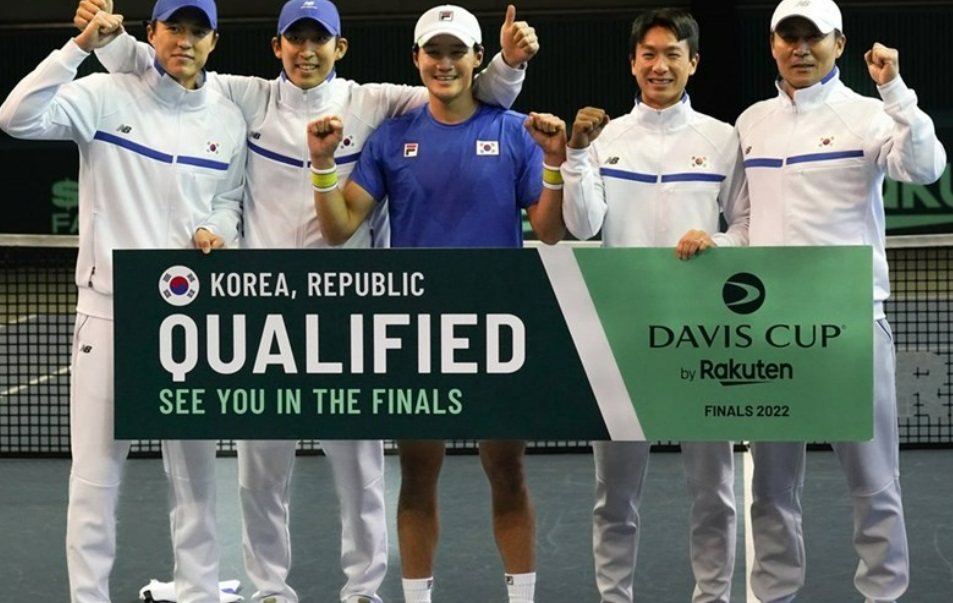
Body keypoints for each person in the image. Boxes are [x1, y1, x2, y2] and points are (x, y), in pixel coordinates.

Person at [73, 1, 538, 602]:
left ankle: (363, 589)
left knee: (360, 468)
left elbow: (461, 91)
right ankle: (270, 588)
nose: (306, 51)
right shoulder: (247, 97)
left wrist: (507, 65)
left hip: (349, 317)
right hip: (265, 317)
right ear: (277, 47)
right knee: (260, 471)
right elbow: (171, 62)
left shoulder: (376, 103)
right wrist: (111, 41)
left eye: (320, 40)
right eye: (296, 39)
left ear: (339, 48)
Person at [306, 6, 565, 601]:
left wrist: (554, 162)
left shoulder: (516, 132)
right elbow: (340, 227)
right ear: (417, 59)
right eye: (434, 52)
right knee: (418, 473)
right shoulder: (392, 138)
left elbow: (550, 231)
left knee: (508, 471)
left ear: (477, 60)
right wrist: (322, 165)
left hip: (499, 331)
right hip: (419, 331)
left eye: (456, 52)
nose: (444, 64)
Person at [0, 1, 247, 602]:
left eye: (197, 31)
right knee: (95, 476)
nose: (184, 40)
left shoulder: (227, 118)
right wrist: (78, 48)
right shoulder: (104, 95)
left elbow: (228, 199)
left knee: (195, 476)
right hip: (110, 311)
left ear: (213, 41)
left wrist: (218, 229)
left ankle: (199, 590)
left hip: (187, 320)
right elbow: (16, 117)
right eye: (173, 28)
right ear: (151, 33)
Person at [736, 0, 947, 601]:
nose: (801, 48)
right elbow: (746, 223)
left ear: (840, 44)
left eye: (814, 37)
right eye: (789, 36)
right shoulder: (750, 123)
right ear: (773, 44)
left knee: (874, 483)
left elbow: (926, 168)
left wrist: (895, 90)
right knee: (770, 488)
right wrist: (716, 242)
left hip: (850, 327)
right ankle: (773, 594)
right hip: (769, 332)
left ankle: (884, 595)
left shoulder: (872, 114)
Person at [558, 8, 749, 603]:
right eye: (649, 54)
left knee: (714, 492)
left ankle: (713, 596)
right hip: (621, 340)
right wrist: (577, 154)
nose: (659, 65)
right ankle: (615, 597)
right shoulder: (605, 138)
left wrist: (717, 241)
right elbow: (581, 225)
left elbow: (748, 224)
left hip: (705, 340)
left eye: (672, 54)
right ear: (633, 62)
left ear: (694, 62)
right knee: (614, 496)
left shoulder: (723, 138)